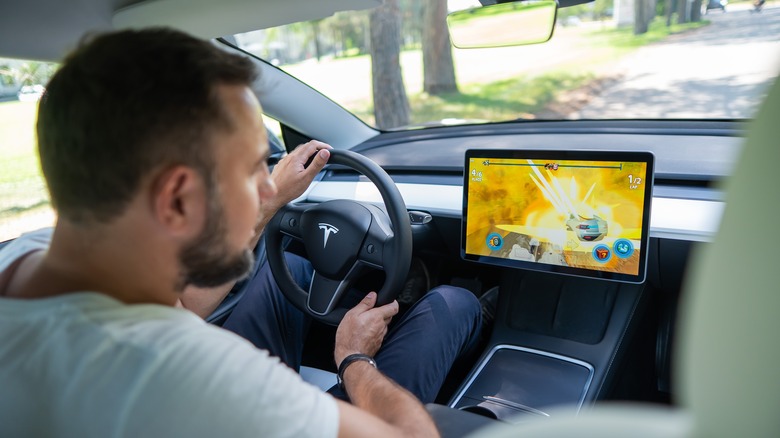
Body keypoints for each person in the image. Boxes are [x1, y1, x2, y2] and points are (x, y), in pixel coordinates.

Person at [0, 28, 481, 437]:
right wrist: (353, 359)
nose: (266, 186)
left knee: (287, 266)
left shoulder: (28, 257)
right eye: (255, 169)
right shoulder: (187, 374)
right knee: (453, 305)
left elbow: (182, 306)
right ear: (178, 199)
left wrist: (271, 203)